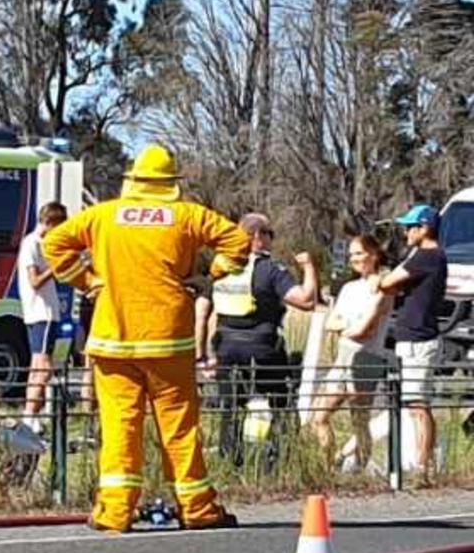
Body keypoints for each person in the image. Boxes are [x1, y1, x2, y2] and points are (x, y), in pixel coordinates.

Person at [44, 144, 251, 532]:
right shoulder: (186, 215)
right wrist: (213, 274)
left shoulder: (103, 216)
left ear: (133, 181)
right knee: (179, 426)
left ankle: (115, 511)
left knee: (121, 424)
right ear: (171, 184)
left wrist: (86, 282)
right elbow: (238, 241)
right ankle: (198, 509)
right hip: (167, 339)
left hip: (112, 339)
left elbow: (53, 243)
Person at [206, 212, 318, 464]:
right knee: (282, 402)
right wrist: (309, 268)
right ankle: (280, 460)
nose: (271, 240)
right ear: (258, 237)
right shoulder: (270, 270)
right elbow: (305, 300)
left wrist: (206, 354)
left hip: (225, 347)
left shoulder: (222, 269)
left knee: (231, 407)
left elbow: (204, 309)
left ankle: (229, 462)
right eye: (270, 234)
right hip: (263, 348)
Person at [310, 235, 393, 469]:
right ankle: (329, 466)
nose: (353, 259)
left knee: (359, 420)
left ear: (373, 254)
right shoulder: (348, 288)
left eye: (358, 253)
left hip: (366, 358)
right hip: (343, 357)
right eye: (351, 255)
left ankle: (358, 469)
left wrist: (347, 326)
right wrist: (348, 325)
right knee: (319, 416)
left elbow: (364, 331)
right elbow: (331, 322)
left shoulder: (383, 287)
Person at [378, 204, 448, 478]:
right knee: (411, 401)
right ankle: (419, 459)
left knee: (418, 403)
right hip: (412, 337)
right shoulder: (423, 256)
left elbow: (388, 282)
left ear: (425, 228)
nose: (406, 232)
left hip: (419, 338)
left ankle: (423, 464)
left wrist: (388, 281)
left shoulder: (427, 257)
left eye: (410, 227)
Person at [17, 202, 67, 431]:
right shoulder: (32, 244)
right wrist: (55, 267)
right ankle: (29, 415)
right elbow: (35, 281)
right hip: (42, 311)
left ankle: (31, 415)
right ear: (49, 223)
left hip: (43, 311)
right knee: (44, 367)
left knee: (36, 365)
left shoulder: (41, 244)